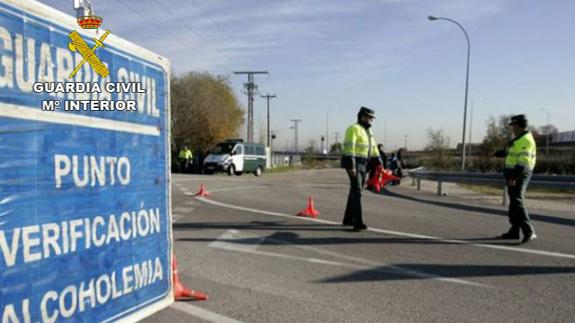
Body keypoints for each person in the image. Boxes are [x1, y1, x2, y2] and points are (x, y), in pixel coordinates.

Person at [497, 114, 537, 243]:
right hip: (513, 173)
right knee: (514, 202)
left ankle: (529, 231)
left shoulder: (525, 140)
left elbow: (523, 162)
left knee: (517, 201)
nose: (511, 128)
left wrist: (514, 177)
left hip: (519, 174)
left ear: (518, 125)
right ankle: (514, 231)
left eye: (513, 125)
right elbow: (512, 152)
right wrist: (501, 153)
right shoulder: (518, 139)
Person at [341, 107, 382, 231]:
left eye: (372, 118)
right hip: (355, 163)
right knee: (357, 192)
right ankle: (357, 222)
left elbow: (374, 148)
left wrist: (379, 161)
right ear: (362, 116)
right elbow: (349, 148)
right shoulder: (354, 129)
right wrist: (351, 166)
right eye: (369, 117)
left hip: (364, 164)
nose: (371, 120)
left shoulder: (368, 132)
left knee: (355, 191)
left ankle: (347, 219)